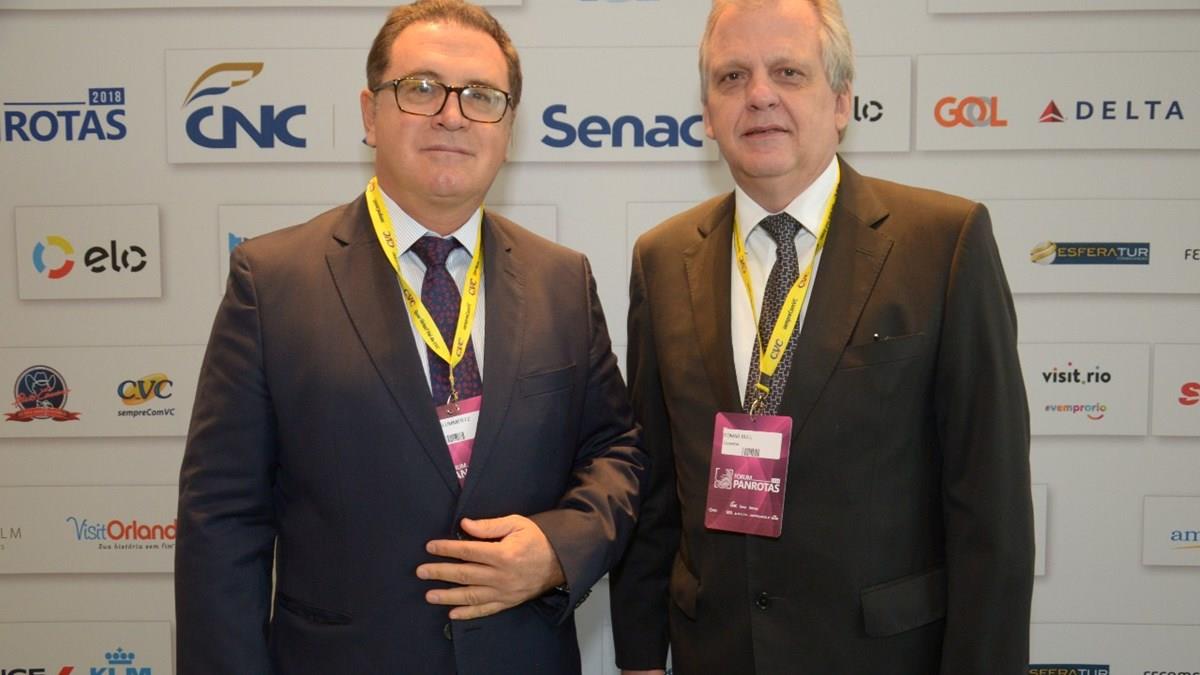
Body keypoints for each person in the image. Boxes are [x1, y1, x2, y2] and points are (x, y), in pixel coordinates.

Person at [175, 2, 645, 673]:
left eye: (481, 96)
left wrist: (557, 550)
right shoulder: (272, 282)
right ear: (371, 113)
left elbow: (616, 451)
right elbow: (222, 522)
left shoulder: (561, 279)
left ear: (508, 127)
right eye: (421, 88)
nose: (452, 115)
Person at [608, 1, 1033, 673]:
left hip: (883, 656)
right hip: (715, 652)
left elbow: (990, 507)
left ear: (841, 101)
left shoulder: (944, 243)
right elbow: (655, 489)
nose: (759, 95)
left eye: (788, 72)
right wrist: (638, 659)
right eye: (732, 77)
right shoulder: (661, 259)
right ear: (708, 112)